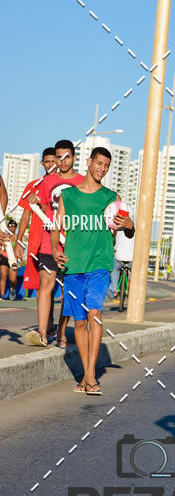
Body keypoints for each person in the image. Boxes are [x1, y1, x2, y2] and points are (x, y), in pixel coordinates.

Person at [52, 147, 134, 395]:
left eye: (106, 165)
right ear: (89, 162)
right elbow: (57, 225)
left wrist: (130, 224)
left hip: (100, 264)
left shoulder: (111, 197)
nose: (102, 169)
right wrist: (57, 250)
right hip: (74, 266)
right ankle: (86, 378)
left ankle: (90, 377)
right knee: (79, 323)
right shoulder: (69, 195)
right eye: (99, 163)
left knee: (95, 314)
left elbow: (127, 229)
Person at [25, 140, 84, 347]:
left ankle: (61, 332)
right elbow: (41, 204)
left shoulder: (82, 181)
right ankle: (42, 332)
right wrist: (34, 198)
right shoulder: (47, 181)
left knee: (68, 290)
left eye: (67, 156)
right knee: (45, 285)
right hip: (48, 240)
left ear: (74, 158)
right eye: (59, 157)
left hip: (73, 243)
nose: (62, 160)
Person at [15, 148, 57, 335]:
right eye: (46, 161)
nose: (50, 165)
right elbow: (25, 216)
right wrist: (18, 242)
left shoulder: (63, 187)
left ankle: (53, 326)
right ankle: (46, 327)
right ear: (42, 163)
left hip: (56, 243)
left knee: (54, 288)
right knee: (41, 287)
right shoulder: (33, 185)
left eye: (53, 161)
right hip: (35, 245)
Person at [109, 203, 135, 299]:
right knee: (133, 272)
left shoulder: (116, 229)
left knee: (115, 269)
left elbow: (113, 242)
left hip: (119, 258)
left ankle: (114, 289)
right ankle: (132, 289)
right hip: (132, 259)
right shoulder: (134, 228)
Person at [0, 219, 19, 300]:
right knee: (3, 276)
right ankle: (2, 295)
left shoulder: (18, 237)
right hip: (4, 256)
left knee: (13, 279)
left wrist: (20, 259)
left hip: (14, 259)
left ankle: (13, 289)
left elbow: (20, 248)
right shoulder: (4, 235)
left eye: (14, 226)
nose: (12, 227)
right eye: (10, 226)